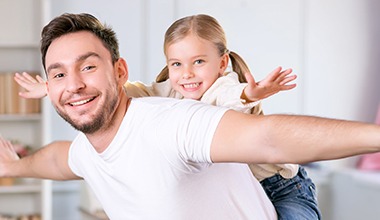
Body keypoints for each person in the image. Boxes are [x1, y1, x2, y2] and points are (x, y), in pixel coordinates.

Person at [2, 12, 380, 219]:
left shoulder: (171, 121)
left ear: (119, 71)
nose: (74, 85)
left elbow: (268, 137)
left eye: (87, 67)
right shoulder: (91, 145)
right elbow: (60, 158)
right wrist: (14, 168)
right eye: (58, 74)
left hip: (284, 185)